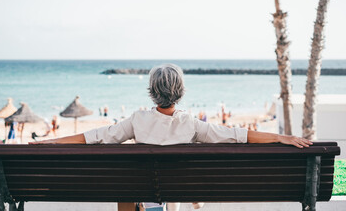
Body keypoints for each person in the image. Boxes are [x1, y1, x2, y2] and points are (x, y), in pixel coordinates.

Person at [31, 64, 312, 211]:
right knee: (173, 182)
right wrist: (281, 137)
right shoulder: (191, 124)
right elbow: (238, 136)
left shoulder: (136, 120)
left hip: (144, 193)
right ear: (180, 92)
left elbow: (95, 137)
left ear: (152, 91)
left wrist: (50, 142)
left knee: (139, 189)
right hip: (178, 189)